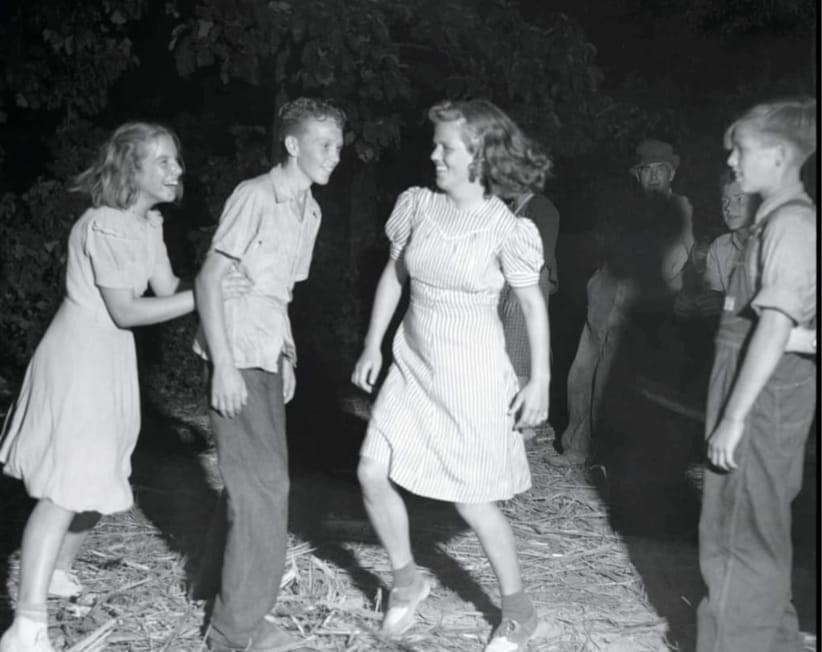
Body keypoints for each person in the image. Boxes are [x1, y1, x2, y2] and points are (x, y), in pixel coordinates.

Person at [352, 99, 551, 652]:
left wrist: (539, 382)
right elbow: (395, 276)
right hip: (414, 364)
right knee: (371, 471)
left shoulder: (507, 228)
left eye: (446, 147)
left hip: (473, 376)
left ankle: (519, 611)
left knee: (472, 501)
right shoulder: (417, 206)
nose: (433, 154)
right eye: (435, 143)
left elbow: (533, 306)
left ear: (479, 156)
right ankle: (407, 579)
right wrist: (373, 344)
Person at [0, 122, 193, 652]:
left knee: (102, 474)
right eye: (164, 162)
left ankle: (58, 572)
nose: (177, 170)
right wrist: (205, 298)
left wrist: (216, 283)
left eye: (176, 160)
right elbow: (127, 310)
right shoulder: (103, 225)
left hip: (110, 361)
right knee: (64, 488)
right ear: (132, 169)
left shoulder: (148, 224)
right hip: (79, 357)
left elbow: (167, 290)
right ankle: (27, 625)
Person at [192, 97, 345, 652]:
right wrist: (224, 368)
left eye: (338, 147)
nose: (335, 156)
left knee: (254, 485)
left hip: (266, 353)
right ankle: (235, 630)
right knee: (263, 490)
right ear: (293, 144)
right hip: (235, 354)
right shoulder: (255, 195)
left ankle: (212, 589)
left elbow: (282, 291)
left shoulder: (309, 210)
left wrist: (289, 354)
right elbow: (211, 279)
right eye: (325, 145)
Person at [697, 97, 817, 652]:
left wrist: (734, 418)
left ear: (778, 154)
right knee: (753, 536)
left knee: (736, 545)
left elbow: (773, 327)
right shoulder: (771, 223)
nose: (733, 162)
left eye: (741, 151)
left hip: (759, 401)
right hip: (755, 385)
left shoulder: (791, 224)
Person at [550, 138, 693, 465]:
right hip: (603, 300)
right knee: (580, 374)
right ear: (638, 176)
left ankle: (605, 456)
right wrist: (596, 283)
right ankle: (576, 447)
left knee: (611, 380)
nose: (654, 176)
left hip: (638, 304)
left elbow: (678, 254)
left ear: (671, 175)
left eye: (661, 170)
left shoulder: (679, 206)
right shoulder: (629, 210)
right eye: (647, 171)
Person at [498, 189, 560, 443]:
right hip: (507, 285)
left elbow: (539, 254)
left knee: (519, 353)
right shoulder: (511, 209)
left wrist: (518, 293)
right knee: (505, 354)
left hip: (526, 287)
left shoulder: (542, 208)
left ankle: (521, 427)